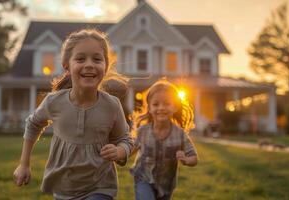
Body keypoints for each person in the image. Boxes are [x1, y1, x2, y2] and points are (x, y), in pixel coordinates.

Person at [13, 29, 133, 200]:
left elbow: (125, 138)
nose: (89, 64)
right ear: (66, 66)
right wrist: (24, 164)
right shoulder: (54, 102)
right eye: (80, 58)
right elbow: (33, 124)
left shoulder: (112, 105)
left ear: (105, 66)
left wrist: (120, 151)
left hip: (100, 187)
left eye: (97, 59)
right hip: (64, 189)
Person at [130, 79, 198, 200]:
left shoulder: (180, 134)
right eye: (156, 104)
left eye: (167, 104)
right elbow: (129, 149)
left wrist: (186, 160)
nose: (161, 108)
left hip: (166, 185)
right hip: (143, 179)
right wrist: (118, 153)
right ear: (149, 108)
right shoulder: (142, 132)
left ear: (175, 107)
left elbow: (194, 157)